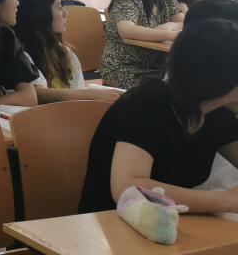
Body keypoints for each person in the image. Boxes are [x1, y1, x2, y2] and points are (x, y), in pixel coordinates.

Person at [78, 18, 238, 214]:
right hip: (111, 223)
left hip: (170, 223)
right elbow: (127, 188)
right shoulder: (147, 103)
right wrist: (225, 200)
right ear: (222, 77)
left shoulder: (218, 113)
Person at [13, 0, 119, 104]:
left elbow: (77, 92)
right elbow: (35, 93)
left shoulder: (64, 53)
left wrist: (88, 95)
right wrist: (89, 94)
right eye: (59, 7)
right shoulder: (19, 55)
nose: (65, 13)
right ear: (39, 14)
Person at [100, 0, 184, 89]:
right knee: (178, 87)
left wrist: (171, 25)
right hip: (125, 68)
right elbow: (126, 30)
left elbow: (185, 21)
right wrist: (172, 35)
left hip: (156, 67)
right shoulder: (127, 0)